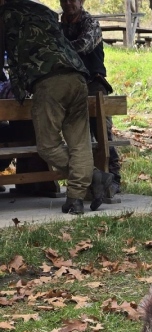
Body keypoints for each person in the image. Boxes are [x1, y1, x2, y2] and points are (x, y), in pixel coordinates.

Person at [0, 0, 114, 213]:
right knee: (79, 143)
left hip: (48, 80)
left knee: (47, 146)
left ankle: (96, 176)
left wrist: (17, 87)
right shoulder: (45, 12)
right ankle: (75, 200)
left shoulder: (4, 15)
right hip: (78, 76)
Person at [59, 0, 121, 194]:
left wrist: (57, 49)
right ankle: (85, 177)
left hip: (93, 81)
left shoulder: (90, 23)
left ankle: (114, 177)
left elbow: (82, 47)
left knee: (102, 130)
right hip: (69, 83)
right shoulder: (58, 25)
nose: (68, 3)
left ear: (82, 1)